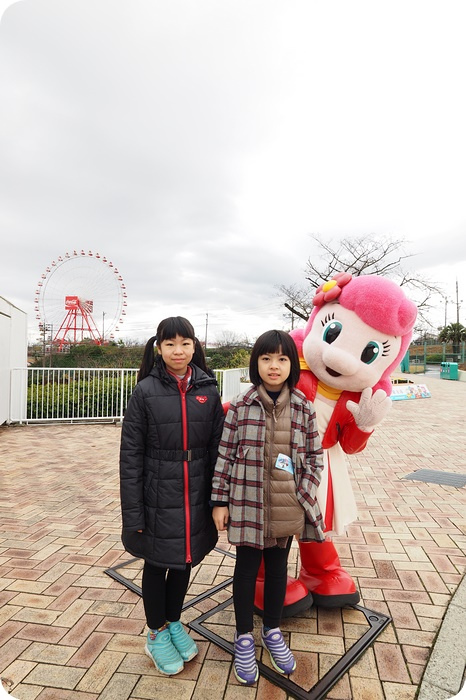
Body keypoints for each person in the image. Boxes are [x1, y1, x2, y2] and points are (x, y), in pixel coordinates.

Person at [211, 330, 325, 685]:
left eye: (282, 359)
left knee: (277, 570)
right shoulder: (241, 406)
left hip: (286, 505)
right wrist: (219, 499)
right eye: (266, 359)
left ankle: (272, 631)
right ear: (255, 363)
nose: (274, 367)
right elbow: (225, 456)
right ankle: (244, 636)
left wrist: (300, 493)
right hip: (245, 503)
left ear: (292, 365)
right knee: (245, 570)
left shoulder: (304, 408)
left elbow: (315, 459)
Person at [119, 316, 224, 676]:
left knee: (186, 560)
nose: (178, 351)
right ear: (158, 348)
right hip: (156, 495)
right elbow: (130, 457)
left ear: (195, 346)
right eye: (169, 344)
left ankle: (174, 621)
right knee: (157, 563)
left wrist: (217, 500)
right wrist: (133, 515)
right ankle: (156, 632)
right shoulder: (145, 391)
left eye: (185, 343)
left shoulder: (208, 389)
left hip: (195, 491)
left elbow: (217, 449)